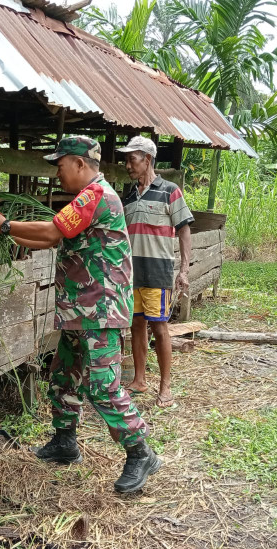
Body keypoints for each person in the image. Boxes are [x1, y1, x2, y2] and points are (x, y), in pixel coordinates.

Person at [0, 136, 162, 494]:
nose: (57, 174)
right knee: (63, 377)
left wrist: (5, 226)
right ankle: (65, 443)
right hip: (82, 309)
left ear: (78, 163)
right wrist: (4, 233)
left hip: (101, 310)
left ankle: (141, 453)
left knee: (103, 385)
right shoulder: (87, 197)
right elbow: (49, 240)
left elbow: (50, 231)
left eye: (60, 166)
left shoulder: (96, 195)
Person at [116, 136, 194, 408]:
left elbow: (184, 230)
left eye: (132, 159)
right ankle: (139, 379)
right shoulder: (128, 194)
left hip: (157, 271)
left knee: (159, 327)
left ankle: (165, 385)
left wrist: (183, 270)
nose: (127, 165)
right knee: (136, 325)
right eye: (126, 160)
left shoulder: (170, 190)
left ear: (147, 159)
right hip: (132, 273)